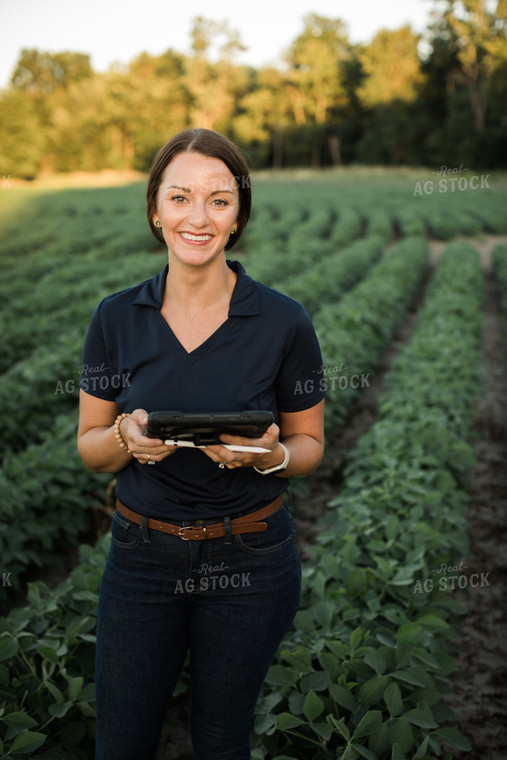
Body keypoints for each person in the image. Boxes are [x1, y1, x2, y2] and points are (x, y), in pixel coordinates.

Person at [77, 127, 326, 760]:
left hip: (250, 556)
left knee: (221, 740)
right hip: (141, 555)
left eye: (219, 200)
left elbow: (308, 445)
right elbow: (89, 447)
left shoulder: (284, 321)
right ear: (155, 210)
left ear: (239, 215)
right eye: (180, 197)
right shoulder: (115, 317)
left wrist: (270, 456)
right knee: (121, 742)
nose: (198, 217)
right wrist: (126, 438)